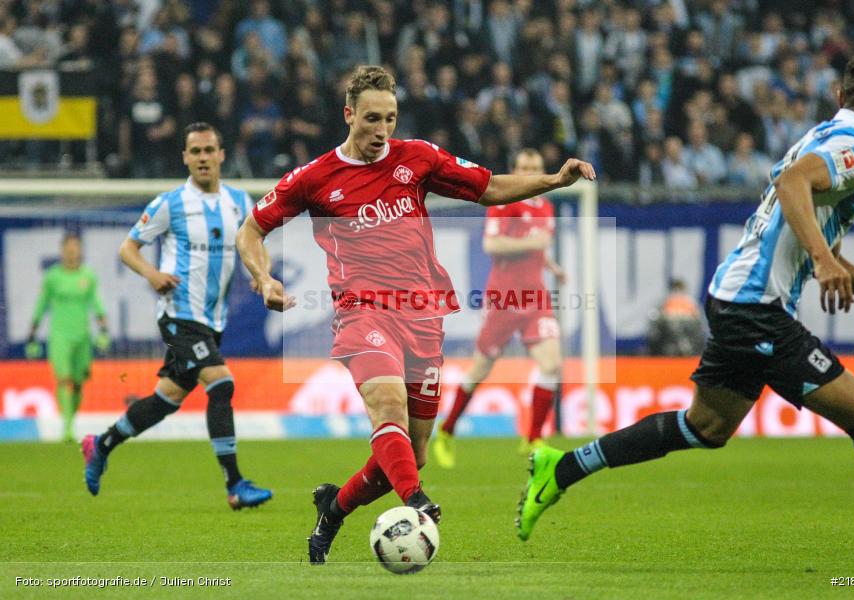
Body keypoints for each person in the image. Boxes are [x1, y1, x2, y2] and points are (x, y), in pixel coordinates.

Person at [516, 47, 854, 541]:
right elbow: (792, 183)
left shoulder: (824, 134)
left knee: (707, 427)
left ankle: (561, 468)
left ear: (840, 94)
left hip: (735, 298)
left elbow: (819, 231)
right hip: (755, 309)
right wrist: (823, 262)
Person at [235, 65, 594, 563]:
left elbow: (488, 187)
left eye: (390, 118)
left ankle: (333, 508)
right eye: (371, 119)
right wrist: (263, 277)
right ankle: (416, 503)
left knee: (411, 454)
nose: (382, 131)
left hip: (423, 314)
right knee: (387, 408)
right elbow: (250, 231)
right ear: (348, 114)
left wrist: (554, 181)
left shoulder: (418, 158)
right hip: (362, 311)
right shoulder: (315, 179)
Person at [81, 122, 273, 510]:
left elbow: (256, 241)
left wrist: (262, 275)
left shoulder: (238, 201)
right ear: (185, 157)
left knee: (165, 400)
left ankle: (101, 444)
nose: (203, 158)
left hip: (211, 320)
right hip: (178, 315)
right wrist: (151, 274)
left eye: (209, 150)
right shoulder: (170, 203)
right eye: (195, 151)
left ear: (222, 155)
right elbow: (128, 248)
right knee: (221, 384)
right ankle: (235, 485)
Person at [432, 148, 565, 468]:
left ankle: (532, 438)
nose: (530, 172)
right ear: (514, 170)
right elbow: (492, 245)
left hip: (535, 298)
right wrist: (533, 245)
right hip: (504, 299)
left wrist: (551, 264)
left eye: (535, 166)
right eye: (524, 167)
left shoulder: (545, 205)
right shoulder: (503, 203)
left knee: (552, 363)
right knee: (480, 369)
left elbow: (538, 245)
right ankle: (447, 432)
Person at [26, 233, 109, 443]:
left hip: (82, 336)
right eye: (68, 248)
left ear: (80, 251)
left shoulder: (88, 276)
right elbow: (42, 304)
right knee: (64, 379)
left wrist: (104, 330)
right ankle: (67, 427)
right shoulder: (53, 277)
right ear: (62, 251)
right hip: (59, 335)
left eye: (75, 248)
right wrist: (32, 334)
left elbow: (96, 302)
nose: (72, 252)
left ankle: (71, 419)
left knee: (79, 382)